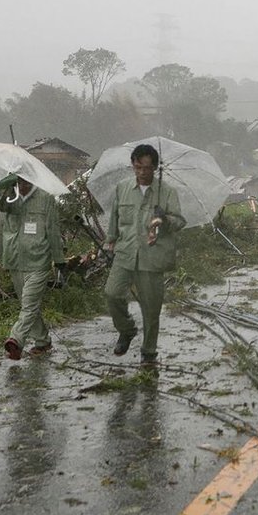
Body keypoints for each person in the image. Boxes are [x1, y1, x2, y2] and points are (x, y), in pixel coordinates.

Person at [104, 144, 186, 366]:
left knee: (151, 308)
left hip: (152, 256)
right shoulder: (122, 188)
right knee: (112, 293)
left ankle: (148, 352)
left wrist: (164, 220)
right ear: (132, 166)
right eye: (138, 167)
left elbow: (180, 221)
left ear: (155, 168)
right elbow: (115, 217)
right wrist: (110, 240)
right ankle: (127, 330)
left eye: (147, 168)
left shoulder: (166, 192)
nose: (142, 173)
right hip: (125, 252)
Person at [0, 175, 65, 361]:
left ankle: (16, 340)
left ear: (34, 180)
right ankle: (43, 341)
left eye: (26, 182)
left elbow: (52, 229)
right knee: (29, 305)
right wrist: (7, 189)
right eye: (19, 182)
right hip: (15, 259)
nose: (23, 186)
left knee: (29, 304)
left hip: (38, 261)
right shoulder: (11, 196)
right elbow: (1, 206)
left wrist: (59, 260)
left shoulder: (45, 198)